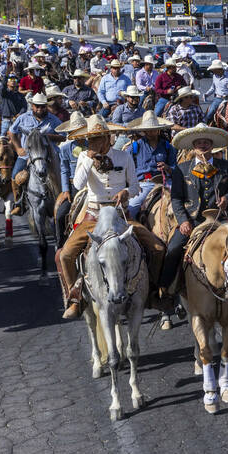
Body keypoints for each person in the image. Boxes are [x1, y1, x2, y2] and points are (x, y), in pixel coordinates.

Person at [55, 115, 169, 320]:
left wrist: (126, 192)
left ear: (108, 137)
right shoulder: (83, 157)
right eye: (91, 138)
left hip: (120, 216)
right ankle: (75, 298)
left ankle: (153, 292)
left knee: (158, 248)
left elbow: (135, 186)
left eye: (98, 137)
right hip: (93, 216)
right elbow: (78, 185)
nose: (94, 142)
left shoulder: (123, 157)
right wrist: (89, 159)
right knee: (64, 254)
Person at [157, 124, 228, 294]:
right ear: (194, 146)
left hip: (221, 217)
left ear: (212, 145)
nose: (203, 145)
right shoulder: (182, 169)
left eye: (206, 142)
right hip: (192, 220)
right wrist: (182, 221)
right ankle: (165, 288)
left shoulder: (225, 166)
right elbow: (176, 199)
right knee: (173, 248)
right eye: (199, 142)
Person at [8, 93, 64, 215]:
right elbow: (11, 132)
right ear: (32, 106)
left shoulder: (53, 120)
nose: (39, 109)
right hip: (27, 155)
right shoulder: (23, 118)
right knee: (15, 175)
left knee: (64, 173)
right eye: (36, 106)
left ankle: (64, 197)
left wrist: (47, 136)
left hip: (49, 155)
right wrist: (18, 148)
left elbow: (63, 136)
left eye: (42, 106)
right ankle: (19, 203)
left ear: (46, 106)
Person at [125, 111, 176, 219]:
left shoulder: (168, 147)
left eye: (153, 129)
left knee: (180, 202)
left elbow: (174, 167)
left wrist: (167, 168)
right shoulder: (135, 147)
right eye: (148, 130)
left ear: (158, 130)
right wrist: (133, 185)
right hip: (144, 184)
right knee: (130, 209)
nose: (151, 132)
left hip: (165, 182)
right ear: (144, 131)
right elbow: (126, 169)